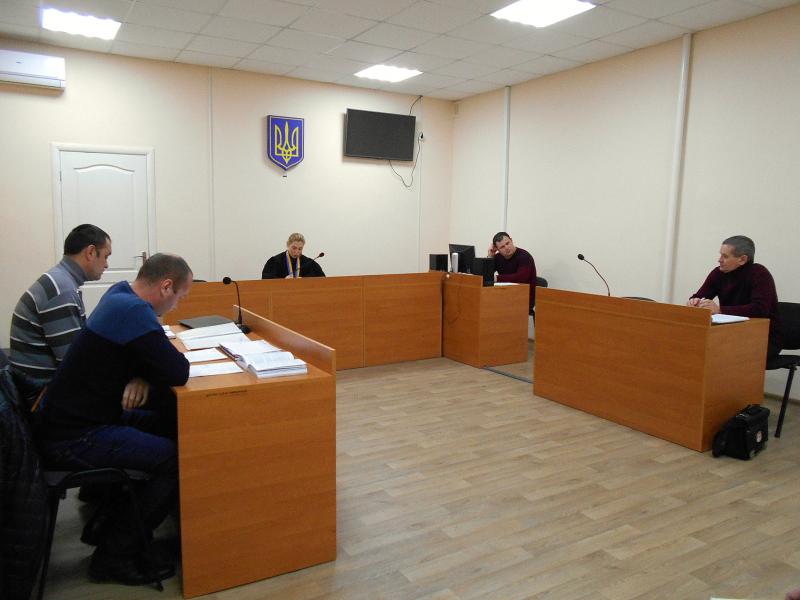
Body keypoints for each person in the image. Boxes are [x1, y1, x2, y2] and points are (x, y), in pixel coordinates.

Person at [37, 253, 193, 586]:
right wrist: (148, 370)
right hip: (74, 437)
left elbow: (140, 355)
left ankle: (111, 524)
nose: (177, 305)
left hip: (73, 419)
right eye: (180, 296)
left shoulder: (119, 293)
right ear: (166, 286)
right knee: (174, 459)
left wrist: (141, 375)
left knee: (172, 426)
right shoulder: (136, 312)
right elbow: (178, 370)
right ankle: (114, 556)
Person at [9, 224, 112, 381]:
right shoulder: (62, 291)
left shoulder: (60, 280)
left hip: (34, 382)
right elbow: (73, 364)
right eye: (106, 256)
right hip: (40, 389)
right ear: (91, 252)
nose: (106, 264)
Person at [687, 235, 782, 361]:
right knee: (692, 346)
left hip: (763, 337)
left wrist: (720, 310)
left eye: (725, 256)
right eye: (720, 255)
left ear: (742, 259)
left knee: (715, 354)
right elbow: (700, 295)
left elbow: (759, 309)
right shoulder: (718, 273)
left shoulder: (760, 274)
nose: (719, 260)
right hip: (730, 332)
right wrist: (694, 301)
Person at [487, 231, 537, 313]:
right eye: (502, 247)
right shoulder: (498, 257)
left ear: (511, 240)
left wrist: (496, 278)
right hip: (505, 294)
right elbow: (486, 275)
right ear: (497, 249)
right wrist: (490, 256)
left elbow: (521, 278)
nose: (506, 247)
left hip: (524, 297)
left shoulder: (524, 256)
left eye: (507, 243)